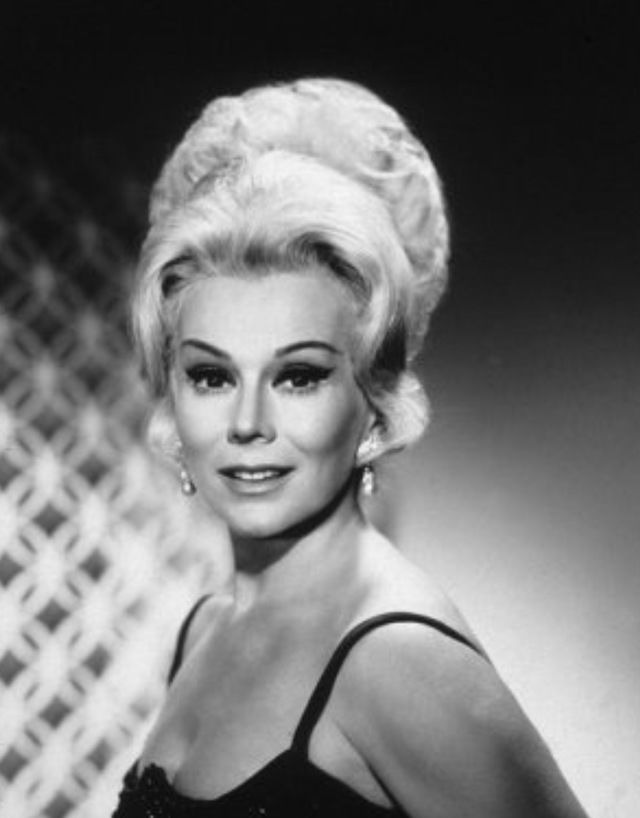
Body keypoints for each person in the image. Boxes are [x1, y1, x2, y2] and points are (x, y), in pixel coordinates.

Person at [112, 77, 588, 817]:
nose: (247, 423)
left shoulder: (399, 662)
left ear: (374, 405)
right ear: (172, 395)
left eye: (299, 376)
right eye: (211, 376)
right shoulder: (205, 629)